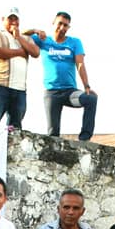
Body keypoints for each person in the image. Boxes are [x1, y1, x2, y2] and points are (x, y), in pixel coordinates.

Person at [26, 12, 98, 141]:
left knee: (91, 99)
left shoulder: (74, 42)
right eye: (60, 23)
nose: (62, 27)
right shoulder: (43, 40)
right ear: (53, 23)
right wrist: (35, 30)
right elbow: (21, 35)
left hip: (70, 92)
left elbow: (80, 63)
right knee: (53, 134)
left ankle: (84, 139)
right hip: (52, 93)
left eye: (66, 25)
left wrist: (86, 85)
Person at [0, 7, 39, 129]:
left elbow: (35, 52)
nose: (13, 22)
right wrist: (20, 52)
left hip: (20, 89)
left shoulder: (25, 38)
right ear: (3, 20)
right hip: (1, 86)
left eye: (15, 19)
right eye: (10, 18)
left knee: (16, 127)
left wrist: (19, 37)